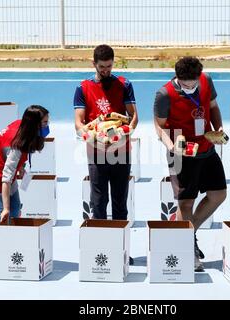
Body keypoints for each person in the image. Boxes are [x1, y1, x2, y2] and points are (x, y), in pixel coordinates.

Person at [153, 57, 227, 272]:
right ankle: (187, 247)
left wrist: (219, 127)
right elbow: (159, 127)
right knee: (186, 203)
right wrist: (170, 146)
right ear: (177, 78)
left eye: (193, 83)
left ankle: (185, 233)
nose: (191, 87)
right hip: (181, 153)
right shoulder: (164, 94)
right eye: (186, 84)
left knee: (219, 194)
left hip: (206, 147)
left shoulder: (206, 80)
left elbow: (213, 106)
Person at [74, 44, 138, 264]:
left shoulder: (125, 84)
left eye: (109, 66)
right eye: (102, 67)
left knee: (120, 203)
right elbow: (79, 124)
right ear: (94, 64)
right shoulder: (83, 88)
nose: (106, 70)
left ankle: (121, 251)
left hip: (121, 151)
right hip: (97, 153)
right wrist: (92, 137)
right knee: (99, 203)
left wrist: (124, 132)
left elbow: (134, 117)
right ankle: (101, 251)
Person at [0, 105, 50, 271]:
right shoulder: (15, 147)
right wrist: (4, 208)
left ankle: (10, 248)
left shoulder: (22, 125)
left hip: (3, 172)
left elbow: (12, 162)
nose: (48, 126)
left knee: (15, 209)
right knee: (1, 214)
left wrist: (20, 167)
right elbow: (5, 178)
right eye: (45, 122)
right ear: (34, 125)